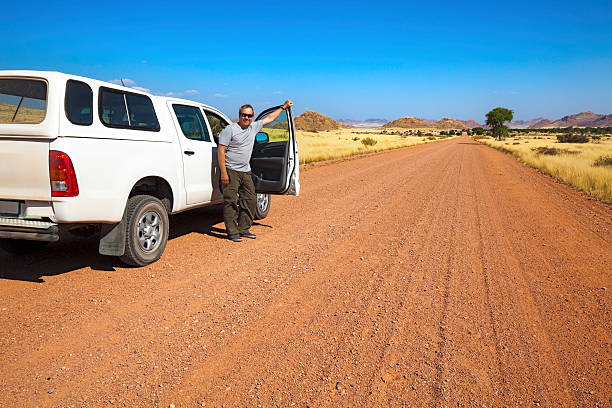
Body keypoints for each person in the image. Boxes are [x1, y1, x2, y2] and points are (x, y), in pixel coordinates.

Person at [218, 100, 293, 242]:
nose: (246, 118)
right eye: (244, 115)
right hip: (231, 170)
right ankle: (232, 232)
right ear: (239, 115)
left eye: (249, 115)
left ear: (252, 117)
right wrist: (223, 173)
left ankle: (244, 229)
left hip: (246, 171)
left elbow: (269, 118)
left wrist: (283, 107)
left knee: (250, 200)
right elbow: (221, 151)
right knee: (231, 202)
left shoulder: (253, 127)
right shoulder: (230, 130)